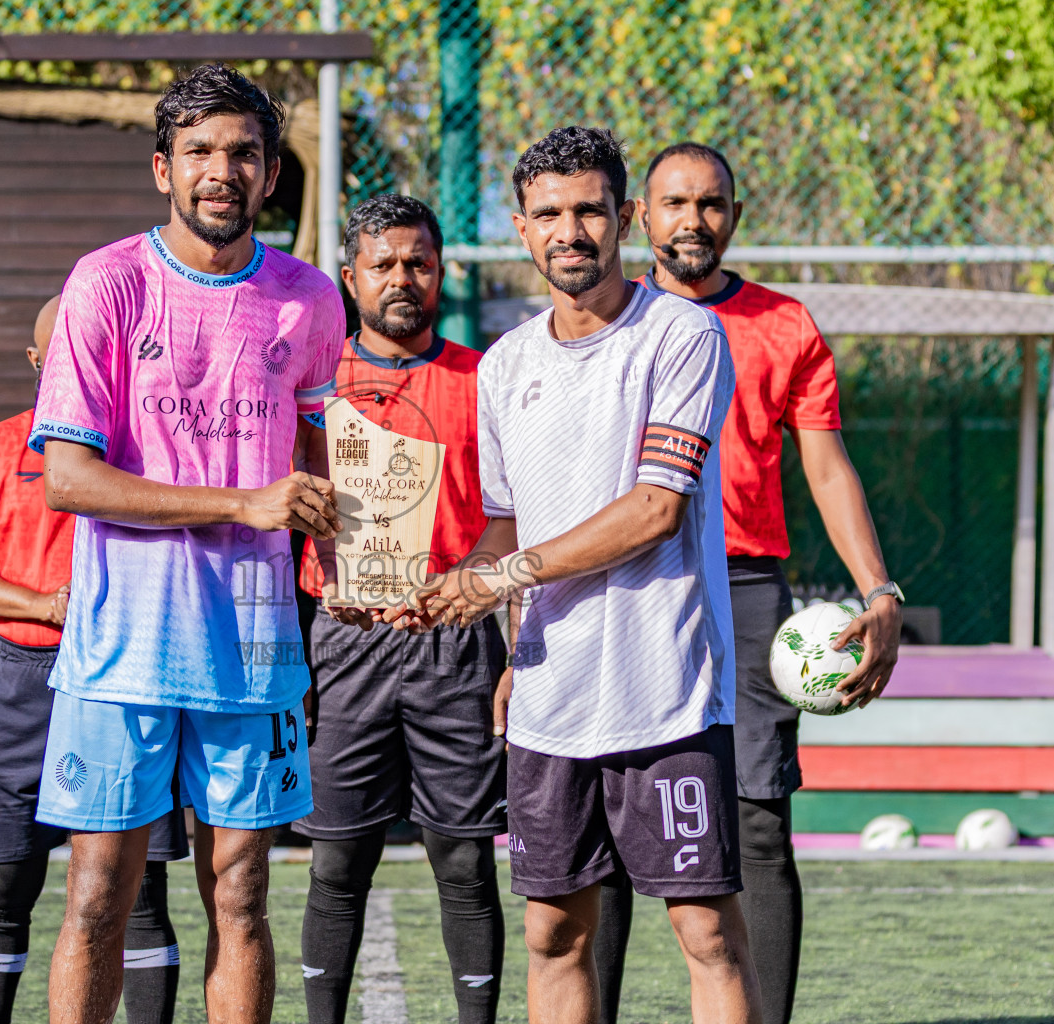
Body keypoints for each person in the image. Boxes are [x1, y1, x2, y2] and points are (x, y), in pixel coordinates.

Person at [389, 126, 762, 1024]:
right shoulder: (507, 364)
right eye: (549, 213)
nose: (571, 230)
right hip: (552, 700)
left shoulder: (682, 336)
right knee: (554, 934)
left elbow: (654, 509)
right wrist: (474, 606)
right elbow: (513, 524)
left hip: (665, 689)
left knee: (706, 932)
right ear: (522, 228)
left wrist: (499, 574)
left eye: (590, 209)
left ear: (625, 217)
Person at [29, 64, 345, 1024]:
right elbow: (69, 480)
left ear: (270, 177)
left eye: (243, 153)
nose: (223, 170)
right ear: (162, 169)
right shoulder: (108, 282)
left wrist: (364, 557)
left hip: (253, 652)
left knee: (243, 902)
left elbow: (325, 470)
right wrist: (243, 504)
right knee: (95, 901)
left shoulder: (310, 299)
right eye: (201, 151)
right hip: (123, 647)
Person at [586, 142, 905, 1024]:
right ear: (637, 218)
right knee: (604, 834)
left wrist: (880, 591)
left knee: (759, 823)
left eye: (713, 204)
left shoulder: (785, 325)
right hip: (625, 582)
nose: (694, 220)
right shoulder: (604, 320)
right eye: (675, 203)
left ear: (735, 215)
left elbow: (828, 467)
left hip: (748, 590)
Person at [0, 295, 189, 1024]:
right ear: (39, 360)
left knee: (136, 893)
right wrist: (46, 605)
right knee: (4, 885)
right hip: (23, 679)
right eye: (61, 351)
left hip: (128, 675)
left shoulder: (147, 449)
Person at [294, 194, 509, 1024]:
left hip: (454, 642)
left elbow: (511, 514)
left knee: (461, 859)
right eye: (382, 264)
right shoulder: (312, 383)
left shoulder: (484, 379)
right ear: (350, 278)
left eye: (417, 262)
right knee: (337, 860)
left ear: (442, 271)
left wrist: (473, 582)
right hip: (342, 643)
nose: (401, 278)